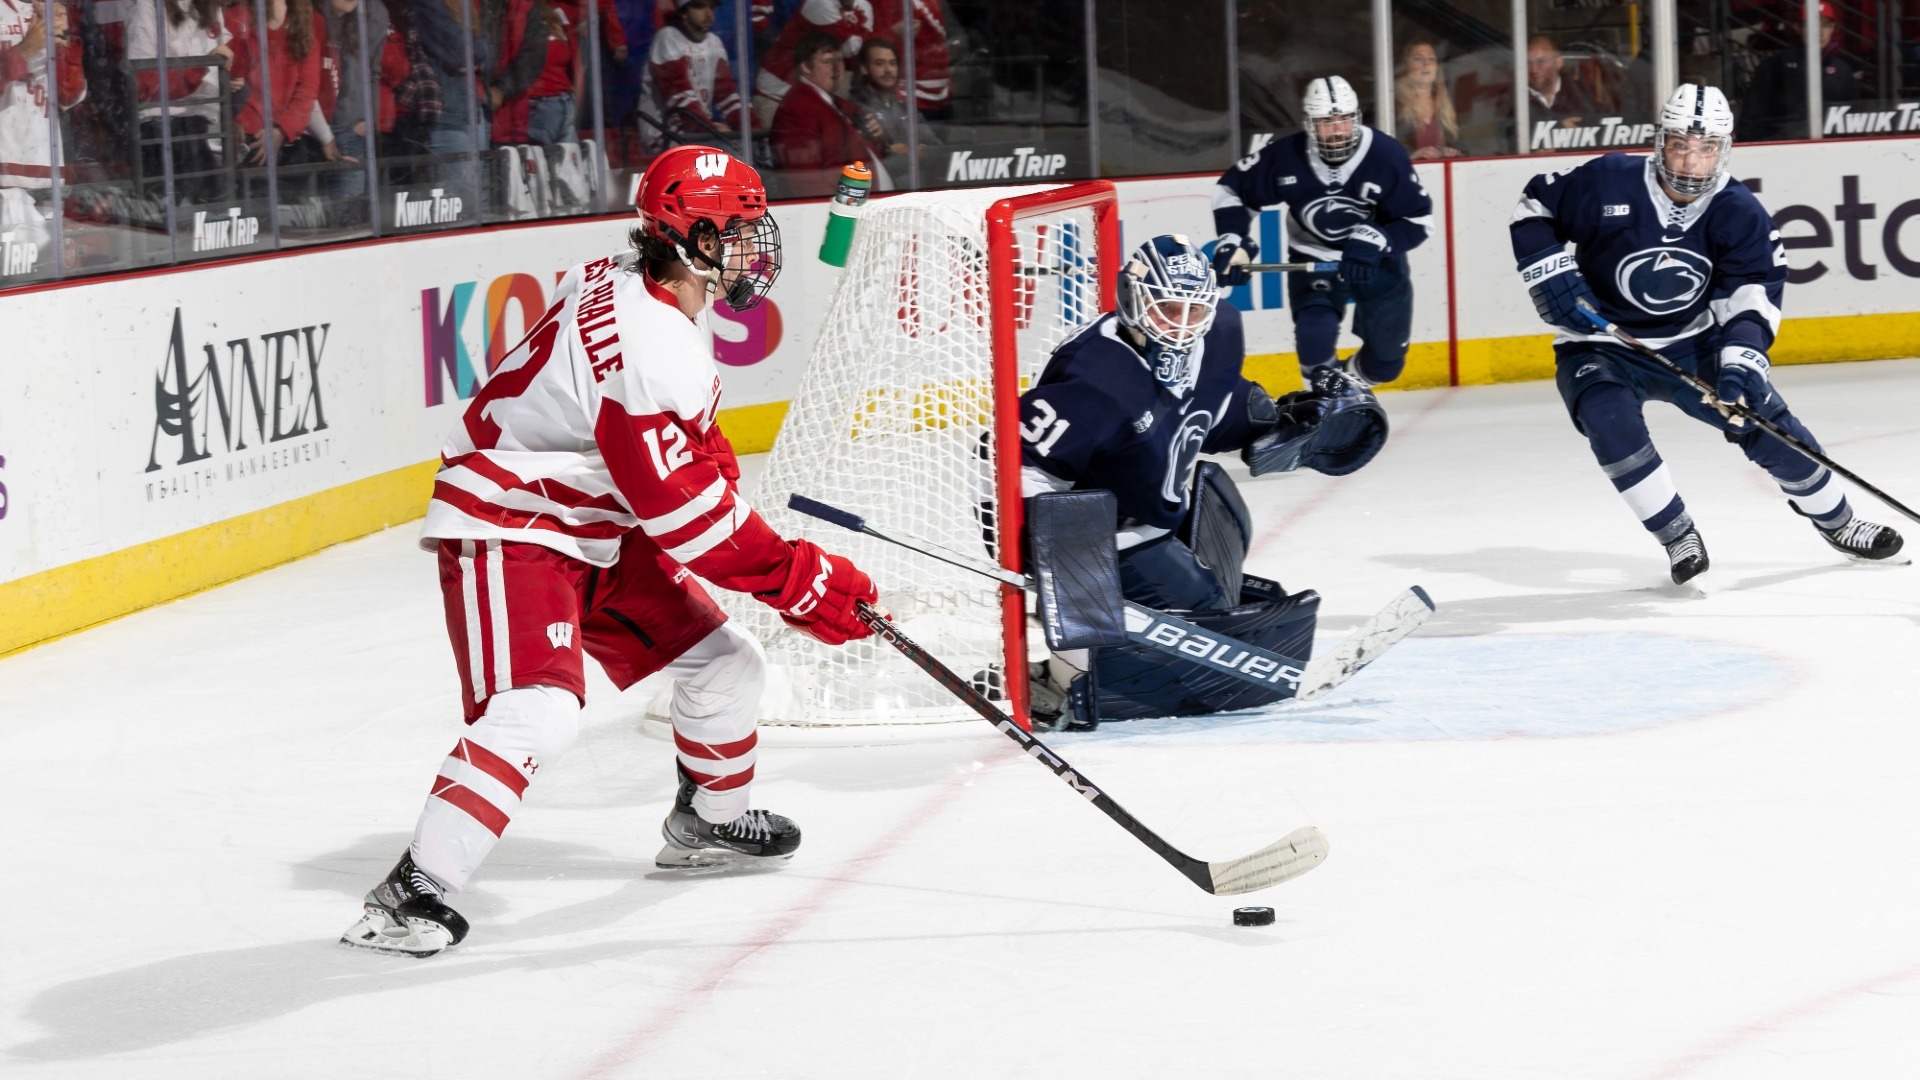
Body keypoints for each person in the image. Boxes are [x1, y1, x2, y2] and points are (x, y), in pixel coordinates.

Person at [341, 144, 880, 957]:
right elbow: (687, 518)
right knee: (537, 712)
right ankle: (410, 893)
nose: (754, 248)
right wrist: (801, 581)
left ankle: (712, 823)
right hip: (513, 521)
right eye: (739, 232)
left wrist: (714, 477)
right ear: (697, 239)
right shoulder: (651, 345)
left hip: (589, 519)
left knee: (727, 664)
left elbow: (667, 453)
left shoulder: (624, 279)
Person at [1509, 82, 1903, 585]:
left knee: (1765, 423)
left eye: (1706, 148)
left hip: (1693, 343)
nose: (1691, 161)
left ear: (1724, 150)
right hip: (1601, 341)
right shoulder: (1609, 180)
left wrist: (1740, 362)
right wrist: (1547, 268)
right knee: (1609, 421)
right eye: (1680, 145)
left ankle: (1839, 523)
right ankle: (1678, 535)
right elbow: (1535, 207)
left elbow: (1750, 296)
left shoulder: (1738, 211)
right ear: (1660, 142)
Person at [1016, 234, 1388, 728]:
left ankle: (1124, 643)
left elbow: (1207, 410)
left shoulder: (1218, 333)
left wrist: (1281, 424)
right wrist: (1062, 568)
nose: (1181, 324)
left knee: (1227, 526)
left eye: (1195, 311)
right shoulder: (1096, 379)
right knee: (1206, 632)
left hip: (1154, 504)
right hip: (1108, 531)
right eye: (1168, 308)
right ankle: (1067, 680)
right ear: (1132, 298)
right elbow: (1016, 462)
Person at [1212, 74, 1432, 388]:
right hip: (1314, 257)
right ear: (1310, 124)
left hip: (1376, 261)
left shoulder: (1386, 155)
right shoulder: (1286, 156)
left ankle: (1343, 391)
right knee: (1314, 337)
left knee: (1385, 365)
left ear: (1356, 118)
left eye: (1344, 119)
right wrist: (1233, 240)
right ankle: (1325, 405)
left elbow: (1419, 220)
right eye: (1326, 122)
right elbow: (1231, 189)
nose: (1338, 130)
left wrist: (1378, 239)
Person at [770, 30, 883, 196]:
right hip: (852, 206)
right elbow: (807, 184)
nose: (837, 69)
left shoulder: (838, 104)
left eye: (839, 60)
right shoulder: (796, 110)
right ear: (806, 66)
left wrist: (876, 138)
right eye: (827, 61)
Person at [1736, 2, 1859, 142]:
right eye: (1812, 24)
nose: (1819, 32)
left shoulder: (1842, 70)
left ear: (1833, 29)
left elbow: (1853, 118)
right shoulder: (1775, 66)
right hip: (1782, 148)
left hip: (1831, 149)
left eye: (1826, 25)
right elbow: (1751, 117)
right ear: (1798, 28)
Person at [0, 0, 88, 196]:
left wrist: (64, 43)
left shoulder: (48, 11)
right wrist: (24, 50)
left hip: (45, 169)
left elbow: (69, 97)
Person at [639, 0, 745, 153]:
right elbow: (680, 101)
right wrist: (714, 131)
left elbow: (728, 96)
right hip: (663, 134)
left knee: (752, 150)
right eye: (699, 7)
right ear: (683, 12)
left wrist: (753, 130)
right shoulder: (667, 38)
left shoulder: (714, 42)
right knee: (730, 153)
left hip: (697, 131)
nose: (708, 14)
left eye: (711, 7)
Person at [752, 0, 870, 127]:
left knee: (866, 80)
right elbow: (851, 50)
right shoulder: (820, 3)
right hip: (777, 95)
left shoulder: (862, 6)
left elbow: (867, 51)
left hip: (812, 96)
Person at [849, 36, 936, 182]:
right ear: (864, 68)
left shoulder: (906, 108)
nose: (888, 70)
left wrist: (915, 151)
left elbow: (935, 145)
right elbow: (871, 167)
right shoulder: (855, 109)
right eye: (879, 63)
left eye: (892, 63)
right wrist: (907, 153)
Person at [1394, 39, 1459, 160]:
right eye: (1418, 59)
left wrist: (1452, 151)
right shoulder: (1393, 105)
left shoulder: (1445, 105)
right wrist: (1411, 156)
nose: (1426, 64)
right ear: (1406, 67)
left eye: (1431, 59)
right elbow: (1382, 147)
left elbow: (1465, 145)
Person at [1525, 34, 1597, 129]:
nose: (1534, 70)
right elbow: (1509, 131)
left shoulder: (1581, 94)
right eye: (1528, 63)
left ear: (1558, 62)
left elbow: (1599, 128)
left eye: (1541, 62)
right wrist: (1557, 128)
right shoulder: (1513, 99)